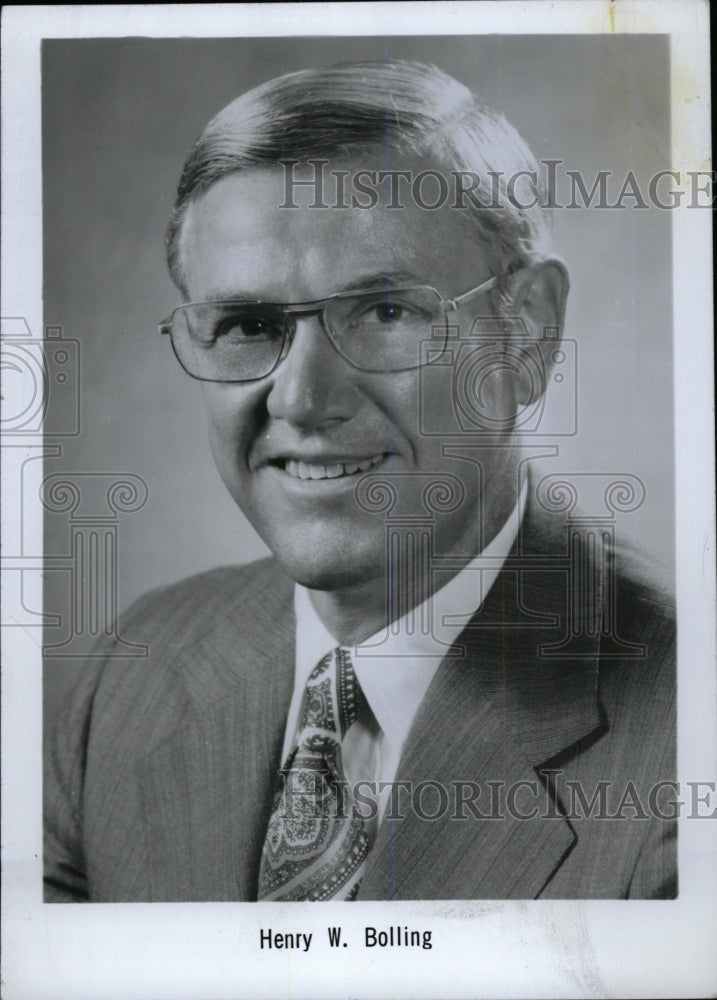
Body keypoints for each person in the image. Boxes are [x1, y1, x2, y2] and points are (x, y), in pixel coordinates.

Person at [44, 59, 676, 902]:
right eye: (247, 325)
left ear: (526, 333)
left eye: (384, 313)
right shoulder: (128, 678)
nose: (303, 400)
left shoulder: (681, 733)